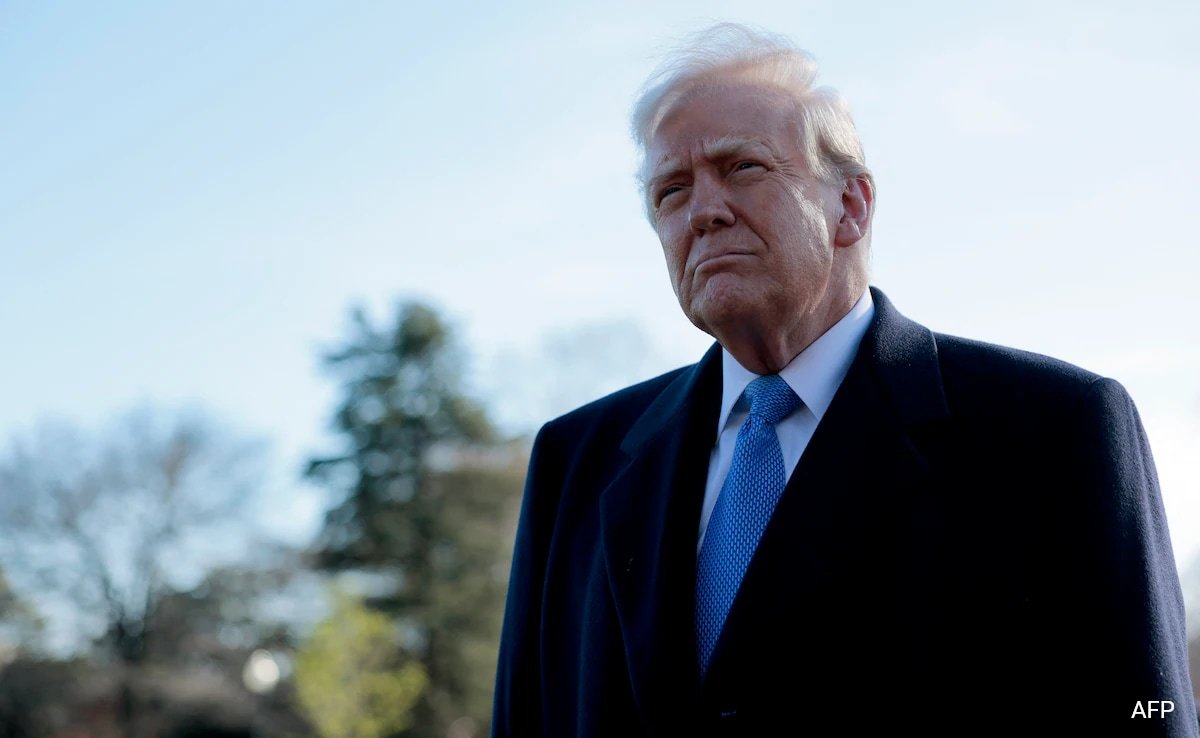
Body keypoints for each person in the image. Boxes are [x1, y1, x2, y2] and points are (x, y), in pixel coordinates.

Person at [492, 23, 1196, 737]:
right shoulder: (574, 461)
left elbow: (1144, 712)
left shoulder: (1055, 429)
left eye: (742, 167)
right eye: (671, 191)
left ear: (851, 206)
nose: (703, 211)